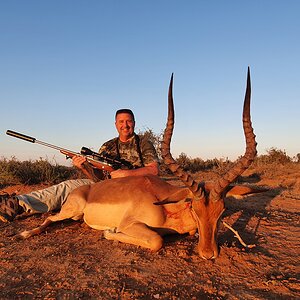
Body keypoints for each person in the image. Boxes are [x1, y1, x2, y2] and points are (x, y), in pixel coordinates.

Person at [0, 109, 159, 222]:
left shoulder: (144, 144)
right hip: (107, 186)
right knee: (66, 187)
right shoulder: (107, 146)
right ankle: (17, 203)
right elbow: (97, 178)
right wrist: (84, 167)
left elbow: (154, 170)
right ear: (115, 124)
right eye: (121, 121)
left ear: (134, 123)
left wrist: (125, 174)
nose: (125, 125)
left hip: (136, 189)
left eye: (128, 121)